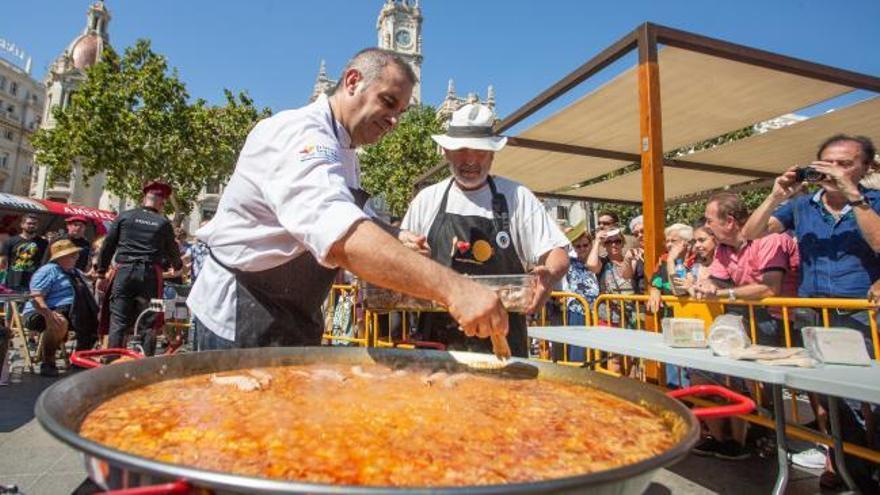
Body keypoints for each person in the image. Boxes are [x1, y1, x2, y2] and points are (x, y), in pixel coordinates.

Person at [188, 48, 508, 350]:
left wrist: (396, 235)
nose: (394, 121)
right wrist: (456, 289)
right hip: (242, 314)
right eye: (388, 101)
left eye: (401, 112)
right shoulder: (300, 134)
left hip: (295, 313)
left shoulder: (346, 151)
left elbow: (357, 214)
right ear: (353, 81)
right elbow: (342, 235)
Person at [741, 134, 880, 492]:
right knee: (826, 397)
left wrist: (854, 196)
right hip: (813, 314)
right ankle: (847, 470)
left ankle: (868, 471)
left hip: (862, 315)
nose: (835, 170)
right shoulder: (802, 206)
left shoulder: (873, 201)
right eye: (828, 162)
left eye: (845, 163)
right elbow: (750, 234)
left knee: (867, 398)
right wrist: (776, 195)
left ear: (865, 167)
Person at [402, 103, 569, 357]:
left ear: (492, 154)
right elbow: (402, 251)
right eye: (461, 150)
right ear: (446, 151)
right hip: (436, 345)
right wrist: (409, 251)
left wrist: (549, 273)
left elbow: (556, 254)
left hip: (503, 341)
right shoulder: (428, 199)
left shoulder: (517, 197)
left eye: (480, 151)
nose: (470, 160)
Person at [694, 192, 799, 346]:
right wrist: (707, 285)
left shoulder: (770, 238)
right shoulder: (723, 247)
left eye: (710, 221)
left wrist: (720, 293)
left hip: (785, 322)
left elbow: (770, 289)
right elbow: (717, 280)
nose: (706, 226)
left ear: (729, 221)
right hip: (756, 316)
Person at [96, 180, 182, 355]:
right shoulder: (163, 222)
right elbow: (172, 249)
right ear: (162, 202)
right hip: (151, 275)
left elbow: (107, 246)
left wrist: (101, 273)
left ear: (144, 198)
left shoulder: (124, 216)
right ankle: (145, 364)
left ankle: (113, 362)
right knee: (149, 321)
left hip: (124, 272)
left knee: (118, 320)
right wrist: (178, 266)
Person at [22, 240, 98, 376]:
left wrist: (96, 266)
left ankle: (80, 359)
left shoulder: (73, 271)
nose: (76, 257)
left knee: (95, 317)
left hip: (72, 311)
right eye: (72, 255)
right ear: (60, 257)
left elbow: (89, 278)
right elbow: (36, 297)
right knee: (59, 321)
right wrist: (48, 314)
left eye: (76, 254)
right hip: (40, 311)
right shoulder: (48, 270)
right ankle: (48, 363)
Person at [561, 221, 600, 362]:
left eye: (585, 245)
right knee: (579, 352)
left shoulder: (598, 260)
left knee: (597, 352)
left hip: (596, 310)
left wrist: (597, 242)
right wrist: (565, 237)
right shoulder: (570, 261)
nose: (582, 248)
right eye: (578, 246)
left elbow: (593, 266)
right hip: (577, 309)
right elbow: (558, 251)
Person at [587, 227, 634, 325]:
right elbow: (591, 265)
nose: (613, 245)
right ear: (604, 245)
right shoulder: (602, 262)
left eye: (617, 241)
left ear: (622, 243)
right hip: (609, 317)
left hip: (633, 314)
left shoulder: (632, 260)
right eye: (609, 242)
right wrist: (597, 242)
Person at [0, 215, 49, 292]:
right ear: (22, 225)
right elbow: (3, 262)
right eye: (29, 223)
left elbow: (45, 262)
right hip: (12, 282)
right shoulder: (10, 241)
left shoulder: (43, 243)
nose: (32, 225)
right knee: (13, 303)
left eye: (34, 224)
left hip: (34, 282)